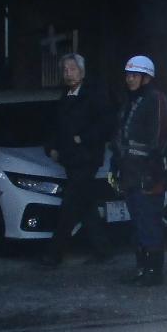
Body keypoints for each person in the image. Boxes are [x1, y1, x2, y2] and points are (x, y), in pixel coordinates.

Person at [46, 52, 113, 266]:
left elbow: (106, 124)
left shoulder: (93, 95)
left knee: (70, 204)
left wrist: (82, 137)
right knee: (86, 205)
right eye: (65, 70)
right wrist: (52, 147)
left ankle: (54, 253)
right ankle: (103, 249)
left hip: (87, 157)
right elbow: (57, 125)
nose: (68, 73)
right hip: (70, 159)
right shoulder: (65, 95)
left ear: (82, 72)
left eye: (72, 69)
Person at [113, 54, 167, 288]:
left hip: (147, 172)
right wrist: (115, 165)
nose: (130, 79)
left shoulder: (155, 99)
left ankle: (154, 271)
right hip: (130, 172)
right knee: (137, 224)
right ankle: (142, 267)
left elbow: (160, 137)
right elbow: (120, 136)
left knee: (150, 223)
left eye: (135, 75)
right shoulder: (130, 101)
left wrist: (152, 171)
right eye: (128, 75)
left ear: (146, 77)